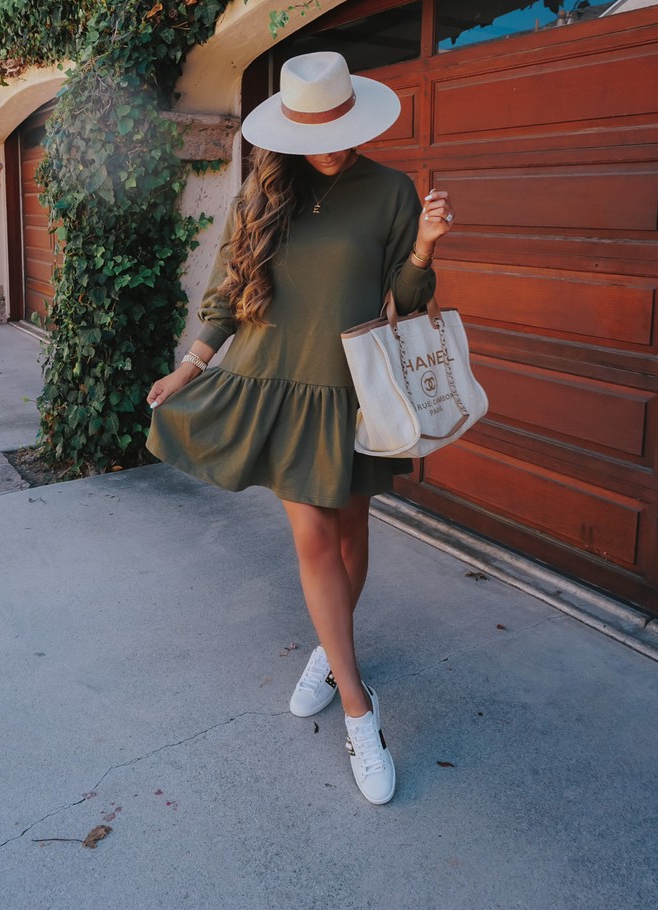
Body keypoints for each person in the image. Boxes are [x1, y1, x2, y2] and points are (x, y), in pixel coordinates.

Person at [146, 50, 454, 805]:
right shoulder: (263, 190)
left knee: (352, 534)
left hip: (350, 388)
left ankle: (328, 653)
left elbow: (409, 301)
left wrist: (422, 249)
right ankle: (360, 711)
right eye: (313, 130)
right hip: (274, 385)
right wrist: (190, 367)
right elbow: (228, 290)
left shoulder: (389, 191)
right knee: (315, 539)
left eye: (341, 127)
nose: (330, 142)